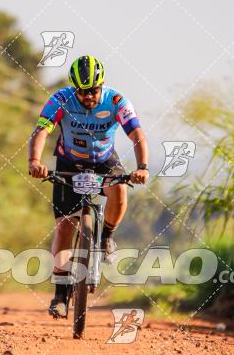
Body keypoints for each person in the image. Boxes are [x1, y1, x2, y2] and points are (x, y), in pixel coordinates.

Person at [28, 54, 149, 318]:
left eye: (93, 90)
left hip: (104, 161)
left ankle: (107, 236)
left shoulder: (117, 101)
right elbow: (41, 130)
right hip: (68, 162)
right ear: (74, 88)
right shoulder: (60, 99)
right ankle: (60, 295)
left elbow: (136, 134)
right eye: (82, 92)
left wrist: (142, 167)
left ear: (102, 85)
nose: (89, 97)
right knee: (64, 228)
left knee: (119, 187)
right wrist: (35, 161)